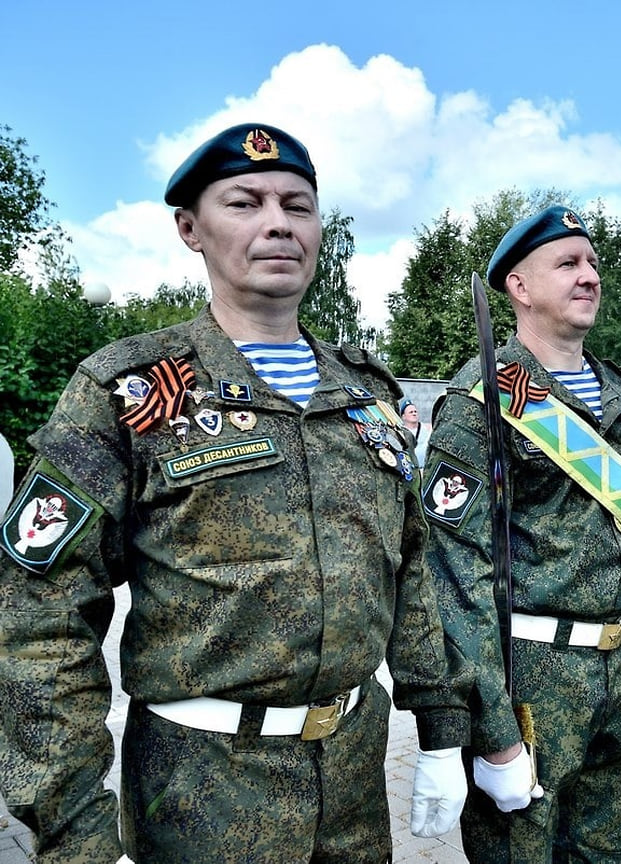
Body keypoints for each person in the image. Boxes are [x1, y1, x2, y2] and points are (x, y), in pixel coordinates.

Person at [0, 123, 473, 863]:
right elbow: (39, 620)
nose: (278, 222)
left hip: (354, 778)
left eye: (298, 204)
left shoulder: (365, 392)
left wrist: (442, 729)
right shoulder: (127, 389)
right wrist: (77, 831)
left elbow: (410, 571)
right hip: (200, 794)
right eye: (244, 202)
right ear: (190, 229)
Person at [421, 205, 621, 863]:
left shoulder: (620, 393)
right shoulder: (481, 399)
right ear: (519, 287)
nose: (589, 276)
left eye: (593, 262)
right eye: (568, 263)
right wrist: (492, 730)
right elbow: (454, 580)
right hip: (531, 680)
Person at [399, 398, 431, 468]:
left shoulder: (427, 429)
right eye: (411, 412)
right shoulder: (401, 433)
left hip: (425, 468)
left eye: (415, 412)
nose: (414, 414)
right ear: (403, 416)